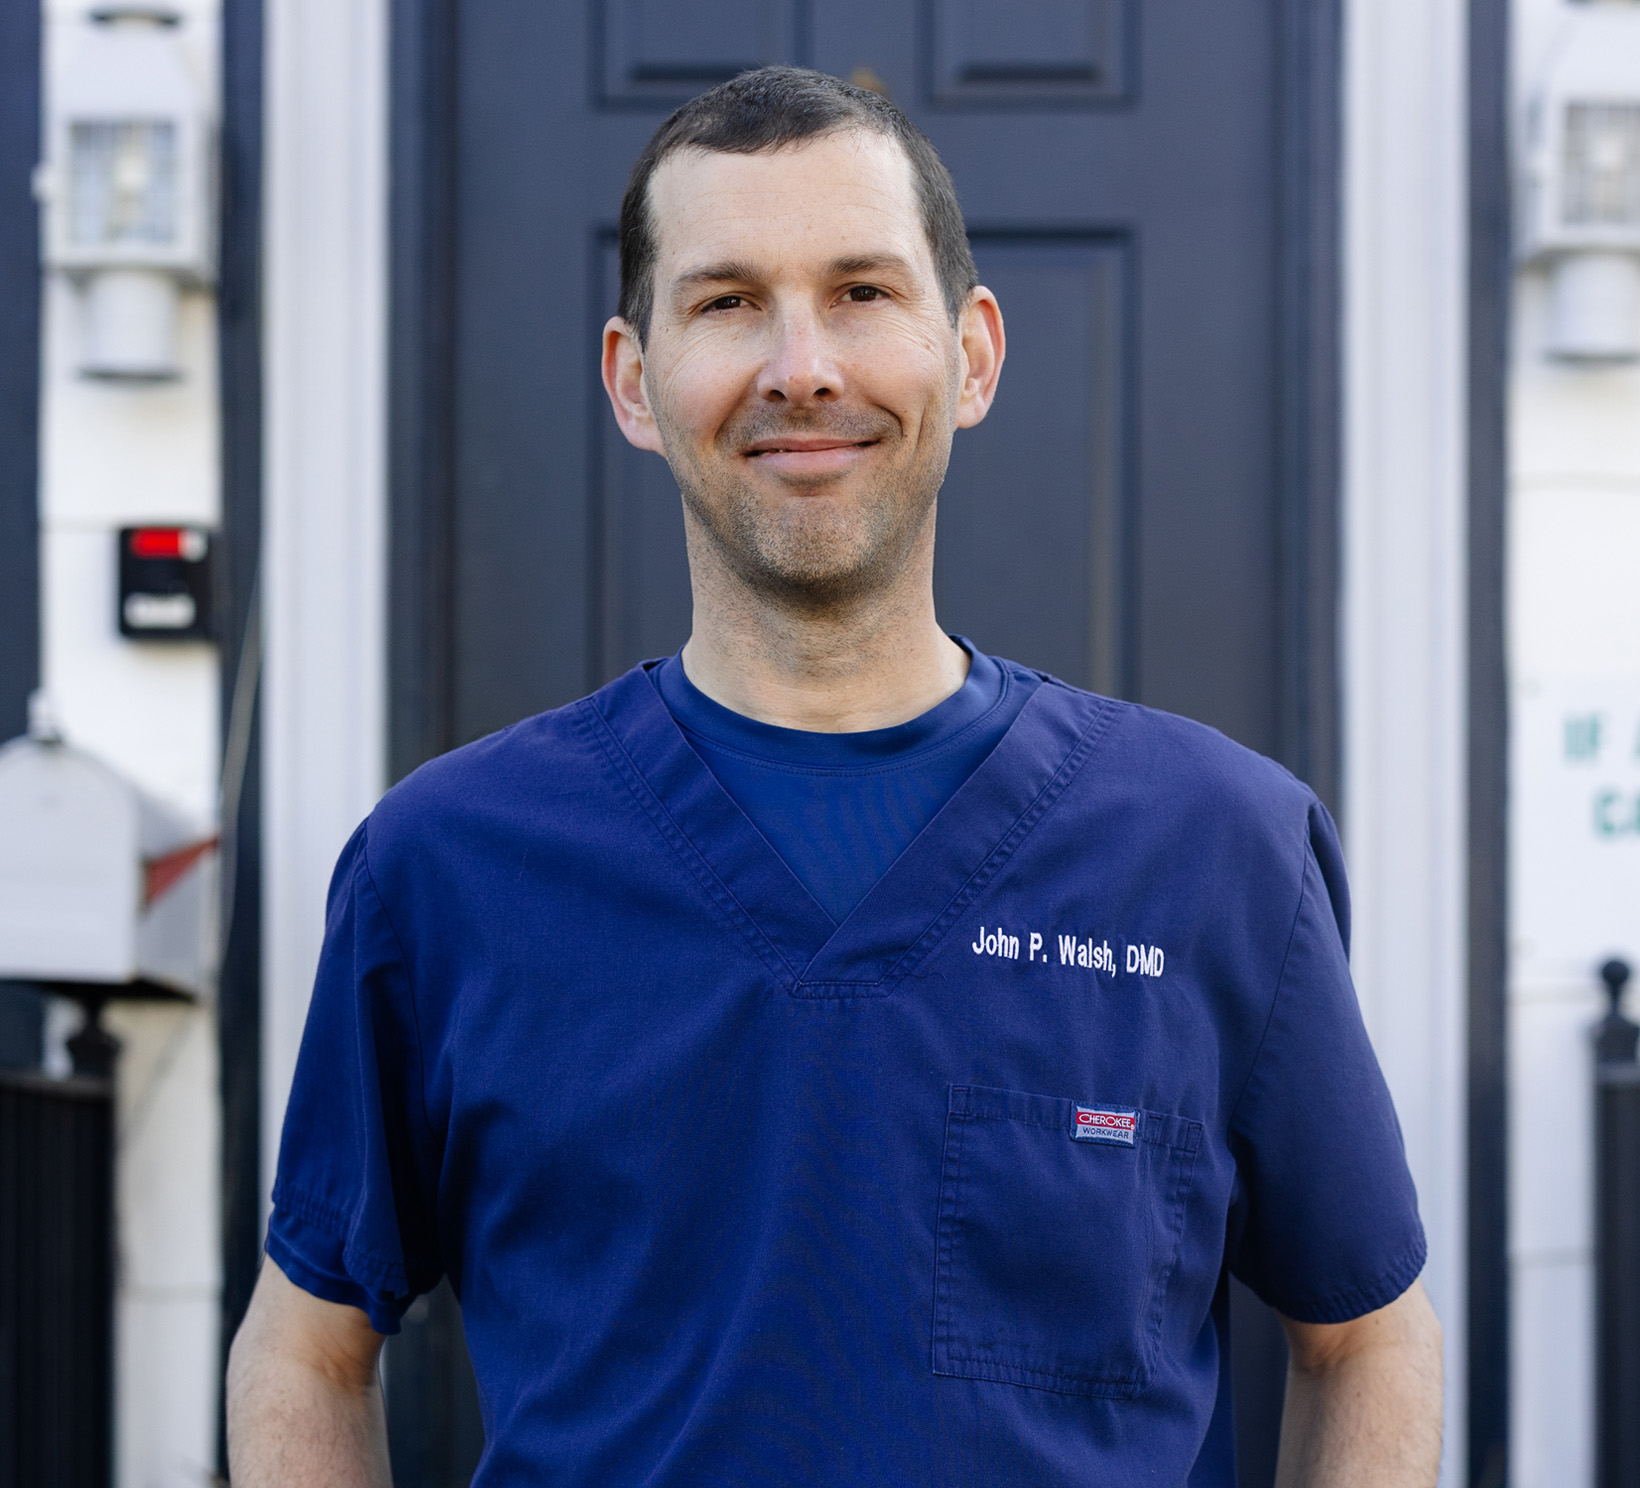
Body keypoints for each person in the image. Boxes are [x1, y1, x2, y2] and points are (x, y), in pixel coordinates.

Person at [228, 66, 1442, 1486]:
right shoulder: (444, 868)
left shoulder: (1216, 848)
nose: (801, 365)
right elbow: (307, 1348)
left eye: (862, 292)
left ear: (973, 355)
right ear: (634, 379)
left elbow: (1367, 1338)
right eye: (728, 300)